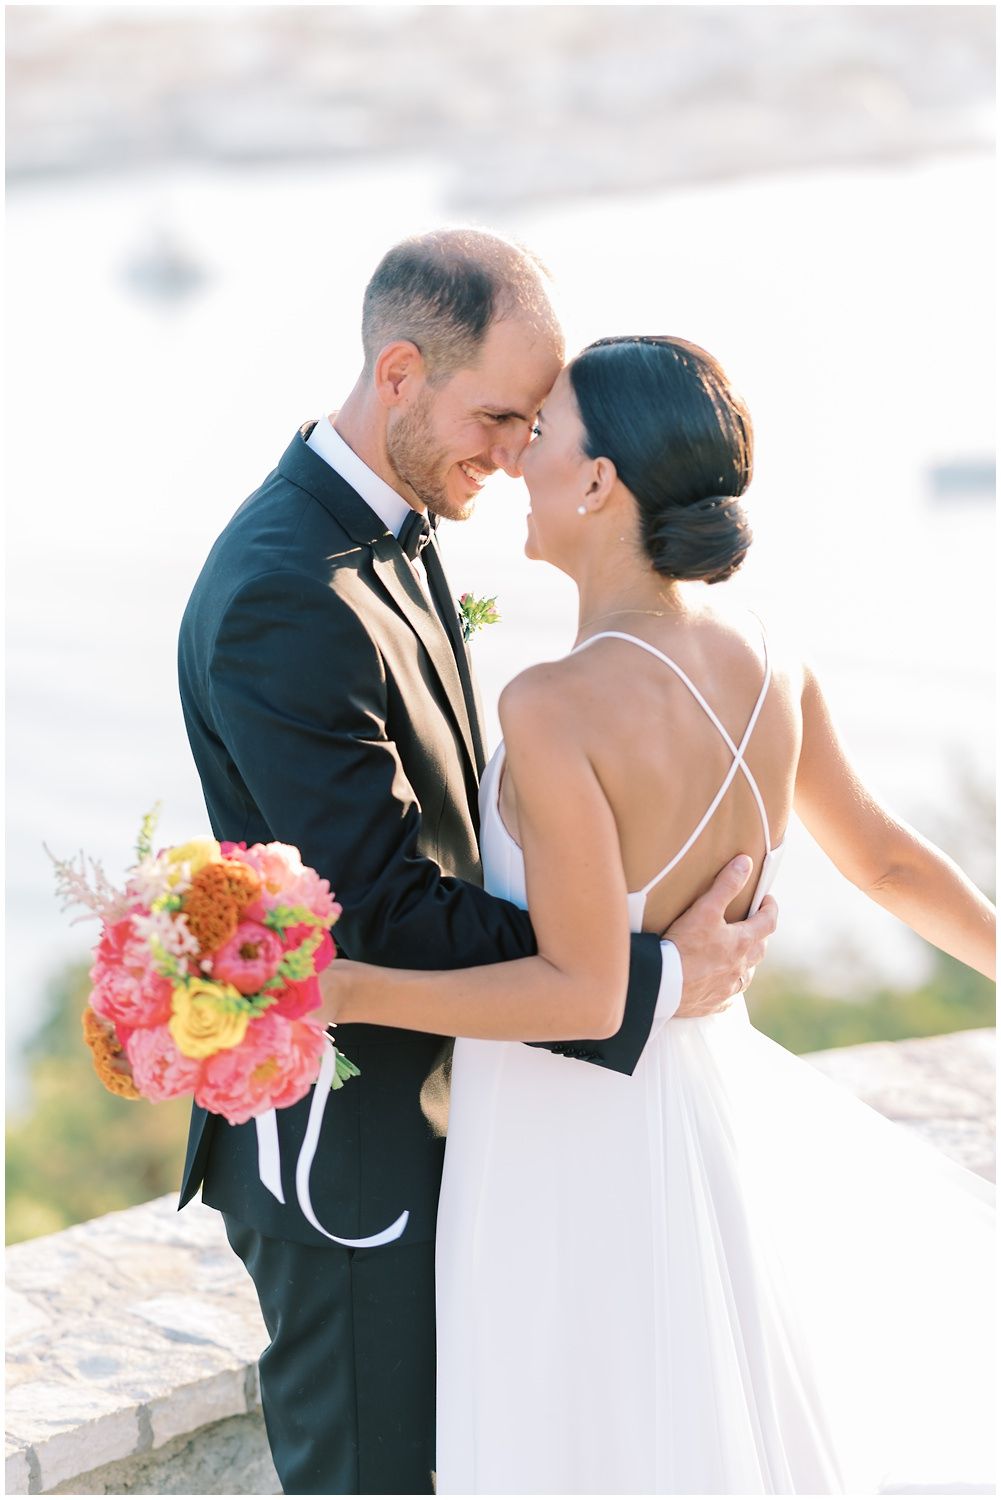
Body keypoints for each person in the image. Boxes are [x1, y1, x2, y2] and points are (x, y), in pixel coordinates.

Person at [319, 335, 996, 1495]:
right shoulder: (771, 656)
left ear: (597, 482)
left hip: (571, 1146)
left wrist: (341, 991)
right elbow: (882, 861)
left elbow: (583, 990)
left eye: (544, 435)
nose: (519, 456)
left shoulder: (555, 705)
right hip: (705, 1118)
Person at [175, 236, 777, 1495]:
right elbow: (384, 908)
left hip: (452, 1115)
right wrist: (640, 979)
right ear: (399, 372)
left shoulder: (387, 531)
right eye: (498, 415)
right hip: (347, 1155)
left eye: (529, 422)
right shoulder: (288, 590)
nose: (514, 455)